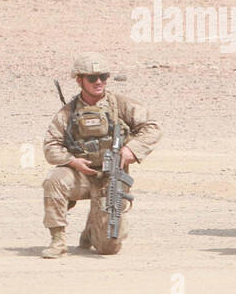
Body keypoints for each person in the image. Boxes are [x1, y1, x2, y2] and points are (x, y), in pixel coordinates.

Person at [41, 53, 161, 258]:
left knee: (108, 249)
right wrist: (72, 161)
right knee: (54, 180)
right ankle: (58, 241)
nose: (99, 82)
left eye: (103, 77)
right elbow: (51, 145)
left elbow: (152, 128)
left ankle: (91, 229)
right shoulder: (68, 112)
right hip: (81, 176)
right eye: (92, 78)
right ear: (79, 80)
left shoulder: (121, 105)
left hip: (110, 177)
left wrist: (131, 150)